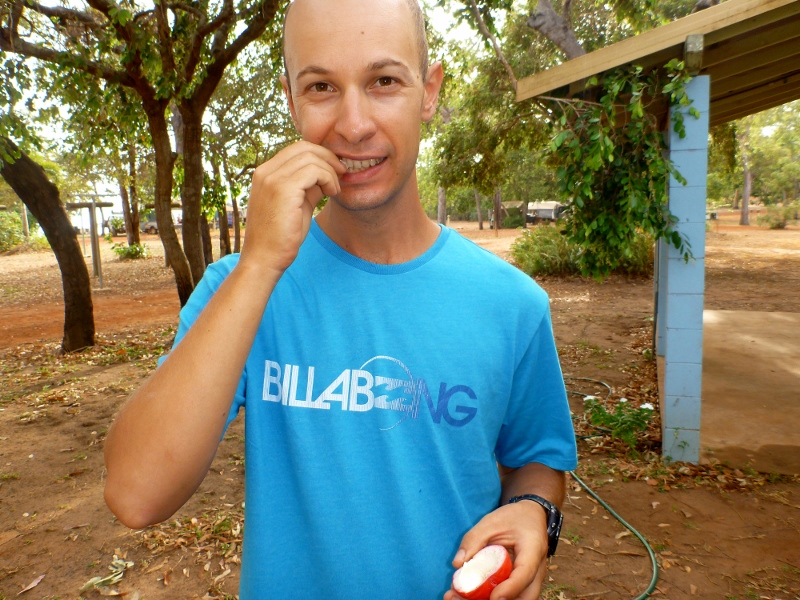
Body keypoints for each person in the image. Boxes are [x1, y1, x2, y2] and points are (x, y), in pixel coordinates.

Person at [103, 0, 578, 598]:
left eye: (384, 81)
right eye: (322, 86)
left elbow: (536, 459)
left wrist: (535, 510)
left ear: (429, 91)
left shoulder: (513, 305)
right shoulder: (244, 289)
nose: (353, 125)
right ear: (291, 99)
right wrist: (258, 266)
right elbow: (135, 493)